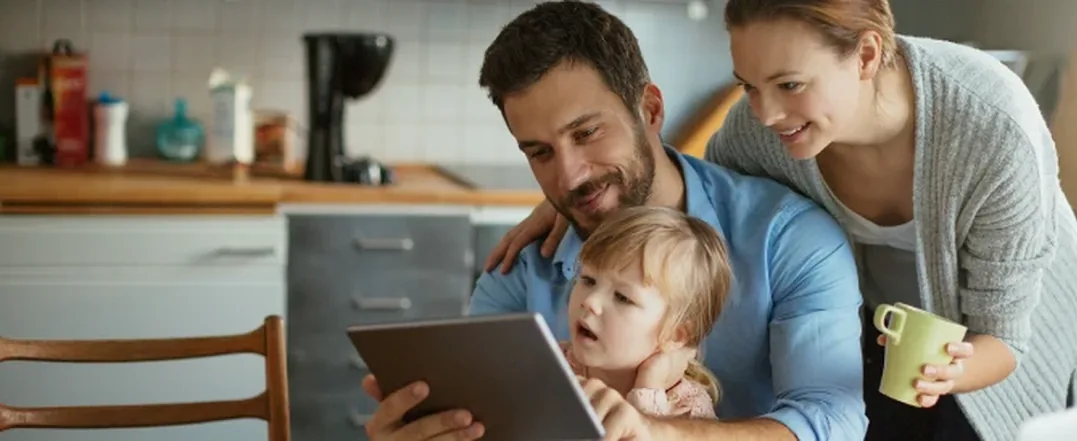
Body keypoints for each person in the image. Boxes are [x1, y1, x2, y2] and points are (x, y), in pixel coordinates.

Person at [485, 1, 1077, 441]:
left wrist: (655, 429)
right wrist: (578, 195)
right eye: (748, 86)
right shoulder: (762, 130)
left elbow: (1002, 339)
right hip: (877, 331)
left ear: (868, 55)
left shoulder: (992, 131)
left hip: (989, 335)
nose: (766, 110)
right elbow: (691, 207)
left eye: (789, 84)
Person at [361, 1, 869, 441]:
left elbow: (834, 422)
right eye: (539, 152)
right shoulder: (520, 269)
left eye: (586, 133)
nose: (569, 176)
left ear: (648, 109)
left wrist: (656, 431)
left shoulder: (789, 238)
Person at [560, 205, 731, 419]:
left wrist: (647, 389)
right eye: (588, 280)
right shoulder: (554, 365)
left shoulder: (687, 410)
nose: (590, 301)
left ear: (676, 335)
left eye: (622, 297)